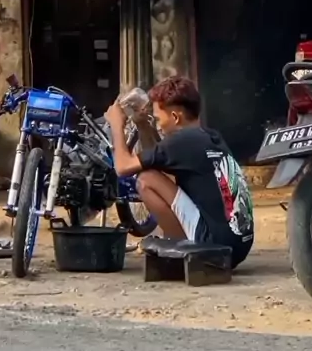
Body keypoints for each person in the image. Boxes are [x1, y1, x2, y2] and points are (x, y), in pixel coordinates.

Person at [105, 75, 254, 269]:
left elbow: (122, 168)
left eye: (158, 119)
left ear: (175, 117)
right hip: (237, 246)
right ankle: (186, 244)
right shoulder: (209, 136)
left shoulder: (180, 142)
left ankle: (181, 250)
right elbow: (161, 161)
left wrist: (117, 126)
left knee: (146, 180)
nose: (157, 124)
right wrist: (142, 125)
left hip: (214, 247)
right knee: (156, 176)